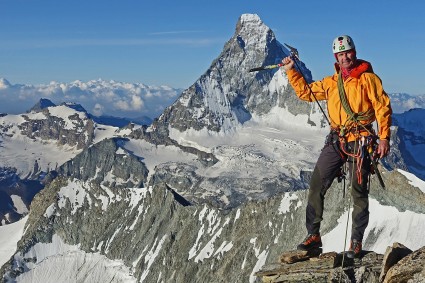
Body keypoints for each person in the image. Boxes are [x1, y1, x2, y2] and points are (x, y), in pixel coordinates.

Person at [281, 35, 392, 258]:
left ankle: (356, 242)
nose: (345, 57)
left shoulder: (368, 79)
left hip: (360, 140)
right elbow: (306, 93)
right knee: (316, 185)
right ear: (336, 57)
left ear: (355, 52)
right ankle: (313, 236)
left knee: (358, 193)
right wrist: (292, 70)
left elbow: (382, 107)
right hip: (337, 140)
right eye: (341, 54)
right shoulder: (332, 83)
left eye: (348, 52)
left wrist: (384, 137)